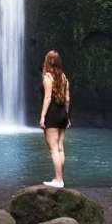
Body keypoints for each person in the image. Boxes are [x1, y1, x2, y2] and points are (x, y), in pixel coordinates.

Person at [39, 50, 70, 187]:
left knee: (53, 149)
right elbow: (68, 99)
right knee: (60, 148)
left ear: (48, 61)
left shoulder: (47, 77)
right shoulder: (64, 77)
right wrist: (67, 116)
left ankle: (58, 180)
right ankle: (60, 178)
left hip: (52, 114)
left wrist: (42, 116)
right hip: (63, 113)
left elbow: (47, 97)